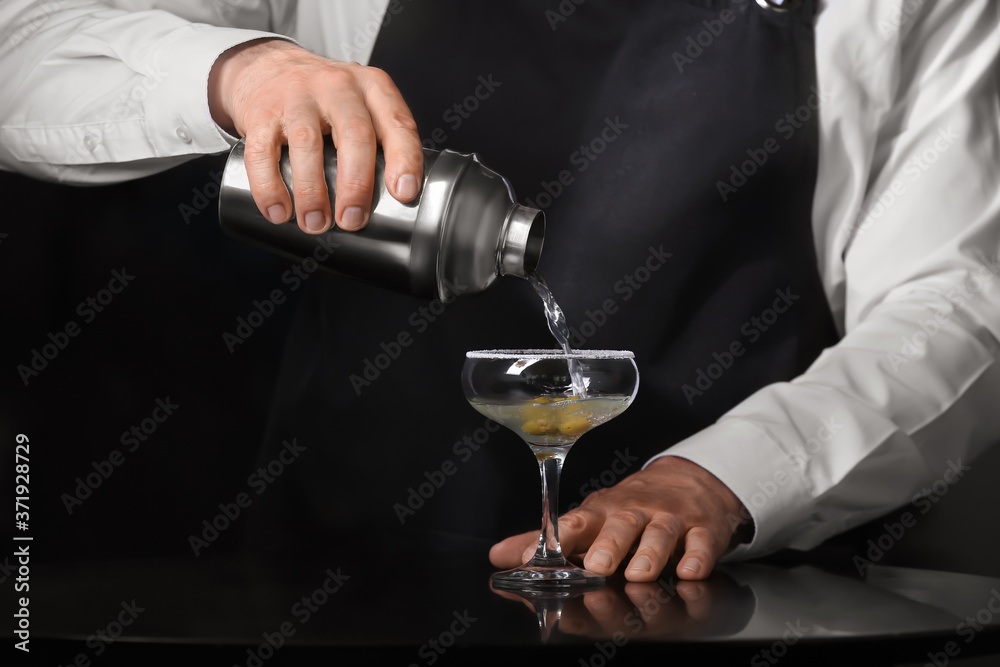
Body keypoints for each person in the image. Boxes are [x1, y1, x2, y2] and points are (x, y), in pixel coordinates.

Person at [3, 0, 999, 583]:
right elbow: (22, 61)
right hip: (335, 582)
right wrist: (234, 70)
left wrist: (724, 478)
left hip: (720, 591)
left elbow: (952, 298)